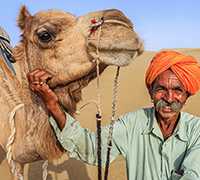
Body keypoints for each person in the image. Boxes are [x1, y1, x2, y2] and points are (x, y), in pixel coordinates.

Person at [27, 50, 200, 180]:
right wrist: (52, 104)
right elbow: (93, 148)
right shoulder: (133, 124)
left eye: (178, 90)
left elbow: (193, 174)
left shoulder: (196, 131)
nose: (169, 98)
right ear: (151, 91)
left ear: (187, 95)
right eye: (161, 89)